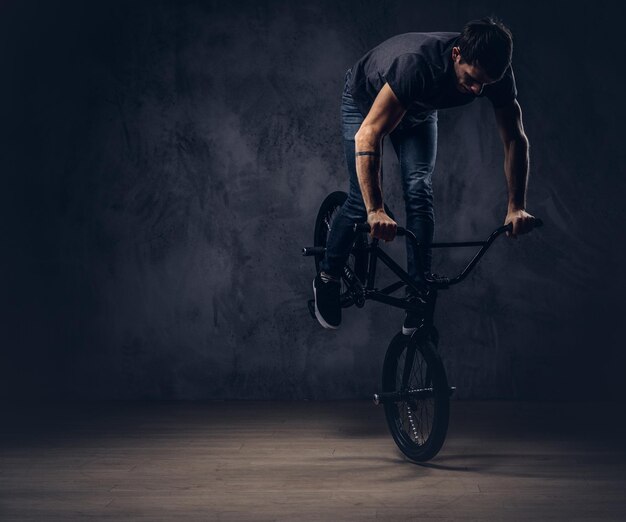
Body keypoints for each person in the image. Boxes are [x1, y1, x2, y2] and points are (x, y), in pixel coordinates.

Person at [313, 17, 537, 333]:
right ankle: (327, 276)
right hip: (365, 105)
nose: (477, 91)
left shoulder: (493, 74)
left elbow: (514, 138)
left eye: (484, 84)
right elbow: (369, 135)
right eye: (472, 80)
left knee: (419, 190)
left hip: (417, 110)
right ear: (456, 54)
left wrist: (516, 205)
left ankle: (418, 293)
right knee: (359, 200)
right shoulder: (416, 64)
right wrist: (375, 210)